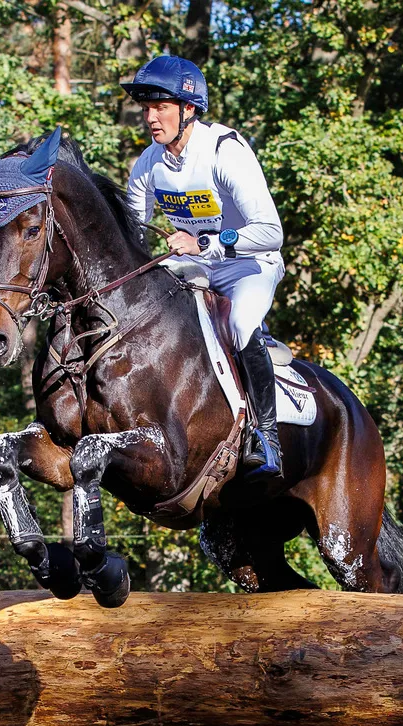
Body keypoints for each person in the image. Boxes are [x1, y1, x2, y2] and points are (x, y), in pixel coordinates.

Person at [123, 55, 286, 481]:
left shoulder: (224, 151)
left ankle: (267, 437)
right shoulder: (148, 164)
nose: (150, 118)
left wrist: (206, 243)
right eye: (147, 108)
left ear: (189, 109)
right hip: (192, 266)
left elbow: (271, 232)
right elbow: (132, 234)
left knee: (241, 325)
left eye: (161, 107)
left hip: (248, 263)